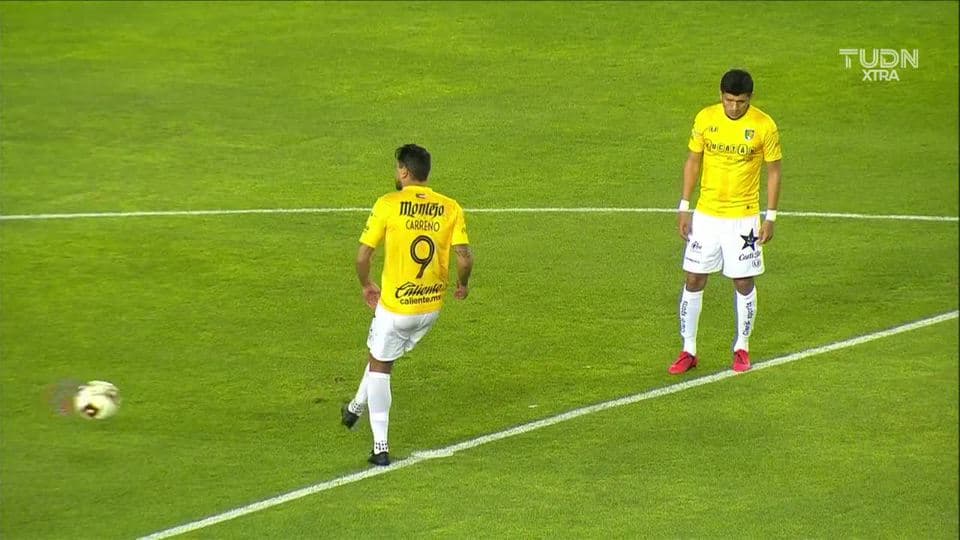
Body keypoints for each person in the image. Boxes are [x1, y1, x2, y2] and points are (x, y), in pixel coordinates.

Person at [341, 143, 474, 466]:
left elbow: (363, 255)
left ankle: (380, 448)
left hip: (398, 307)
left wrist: (366, 284)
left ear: (403, 171)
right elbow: (464, 257)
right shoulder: (450, 207)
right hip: (430, 307)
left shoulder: (388, 204)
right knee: (380, 352)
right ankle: (355, 408)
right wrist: (462, 284)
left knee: (380, 366)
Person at [669, 69, 783, 375]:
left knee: (743, 282)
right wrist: (684, 206)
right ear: (721, 96)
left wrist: (770, 216)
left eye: (741, 102)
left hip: (743, 218)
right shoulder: (706, 118)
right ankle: (688, 350)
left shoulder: (764, 125)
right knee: (694, 278)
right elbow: (693, 161)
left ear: (750, 98)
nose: (734, 107)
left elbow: (774, 171)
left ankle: (742, 347)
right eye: (729, 100)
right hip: (707, 215)